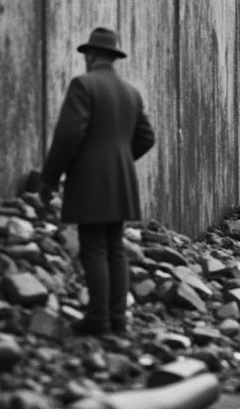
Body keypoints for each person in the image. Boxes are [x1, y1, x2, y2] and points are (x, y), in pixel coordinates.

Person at [41, 27, 155, 335]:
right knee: (114, 248)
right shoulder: (130, 92)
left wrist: (50, 179)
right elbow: (146, 138)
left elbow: (68, 135)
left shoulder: (83, 85)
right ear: (112, 57)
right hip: (121, 181)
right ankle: (118, 319)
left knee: (93, 248)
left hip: (90, 180)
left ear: (90, 55)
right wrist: (119, 159)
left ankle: (98, 320)